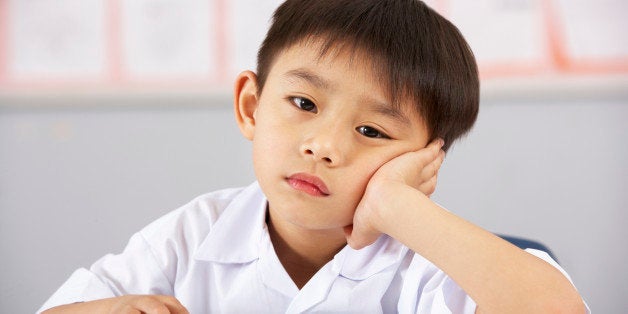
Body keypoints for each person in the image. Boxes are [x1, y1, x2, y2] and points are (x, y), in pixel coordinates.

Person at [40, 0, 588, 313]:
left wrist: (399, 207)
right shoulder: (190, 236)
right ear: (251, 106)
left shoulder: (424, 265)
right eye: (303, 103)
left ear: (424, 161)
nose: (324, 146)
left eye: (371, 130)